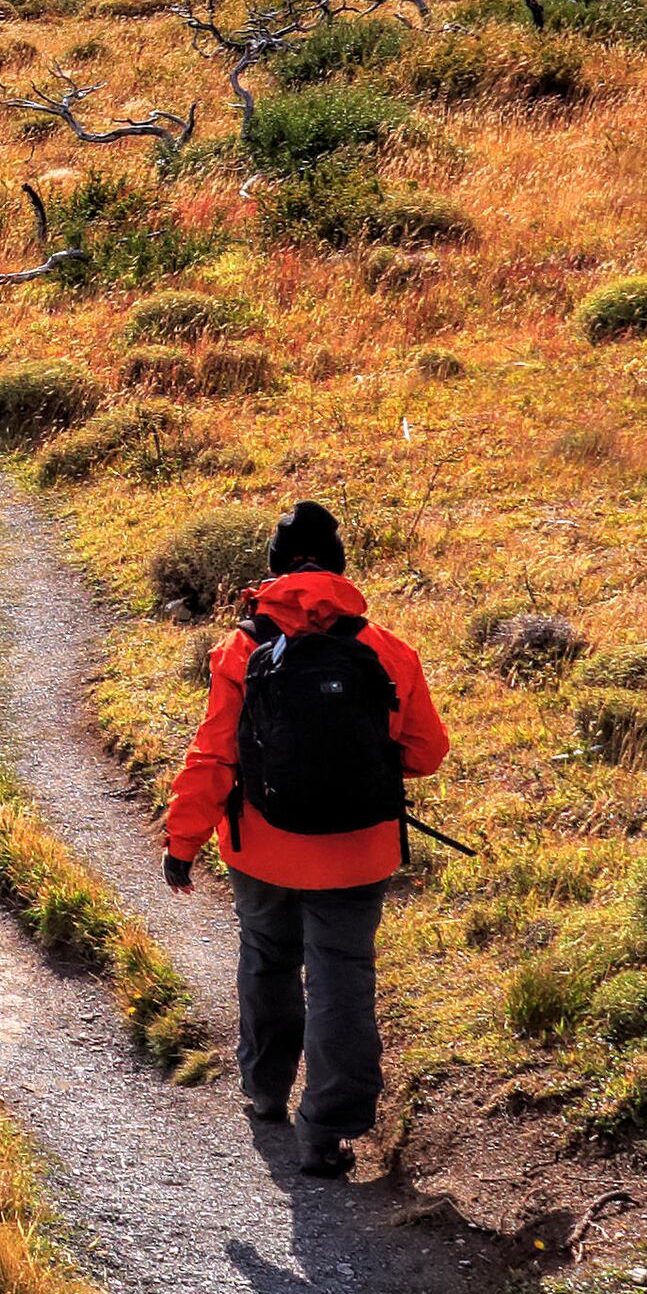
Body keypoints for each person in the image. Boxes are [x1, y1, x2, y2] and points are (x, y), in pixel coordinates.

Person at [161, 499, 447, 1177]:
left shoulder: (240, 649)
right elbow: (427, 752)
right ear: (340, 569)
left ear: (275, 568)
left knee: (267, 958)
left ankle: (265, 1092)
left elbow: (214, 756)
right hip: (358, 852)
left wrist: (183, 841)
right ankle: (328, 1132)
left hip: (261, 848)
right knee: (342, 977)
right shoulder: (387, 650)